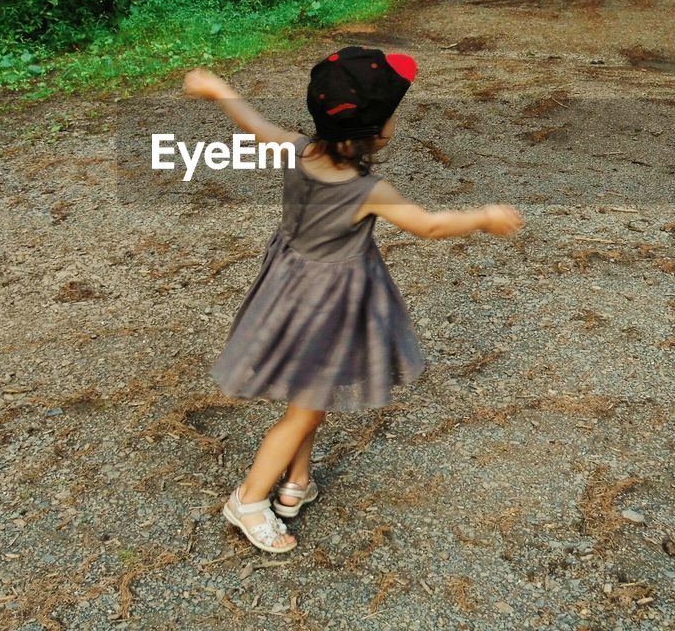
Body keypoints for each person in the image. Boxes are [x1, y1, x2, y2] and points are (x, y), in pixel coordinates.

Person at [182, 46, 523, 553]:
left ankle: (296, 484)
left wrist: (221, 91)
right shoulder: (369, 189)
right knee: (307, 407)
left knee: (311, 392)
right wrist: (483, 217)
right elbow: (427, 225)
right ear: (378, 131)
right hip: (327, 300)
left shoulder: (298, 149)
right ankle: (249, 501)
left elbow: (254, 128)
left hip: (288, 287)